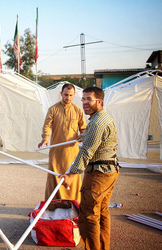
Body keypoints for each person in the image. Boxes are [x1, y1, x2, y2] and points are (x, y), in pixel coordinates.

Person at [60, 87, 120, 250]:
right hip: (109, 170)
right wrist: (85, 136)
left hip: (99, 173)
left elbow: (86, 151)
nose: (85, 103)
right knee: (101, 213)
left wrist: (71, 174)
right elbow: (98, 138)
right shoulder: (101, 118)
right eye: (83, 99)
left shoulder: (97, 123)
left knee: (89, 215)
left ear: (99, 101)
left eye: (89, 99)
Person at [38, 83, 86, 202]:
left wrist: (83, 135)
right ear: (61, 94)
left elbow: (84, 128)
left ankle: (73, 206)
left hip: (72, 153)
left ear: (74, 95)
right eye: (65, 95)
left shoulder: (78, 110)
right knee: (54, 178)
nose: (68, 98)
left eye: (70, 95)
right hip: (56, 152)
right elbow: (47, 126)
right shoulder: (53, 109)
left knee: (73, 179)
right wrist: (45, 138)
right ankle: (53, 206)